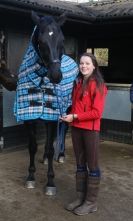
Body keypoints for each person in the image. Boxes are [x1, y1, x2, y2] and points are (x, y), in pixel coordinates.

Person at [60, 52, 108, 216]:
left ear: (94, 66)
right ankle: (80, 198)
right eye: (81, 63)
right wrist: (69, 115)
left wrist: (75, 116)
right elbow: (76, 106)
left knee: (92, 166)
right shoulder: (78, 83)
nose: (84, 66)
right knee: (80, 163)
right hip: (76, 128)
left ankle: (91, 202)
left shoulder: (99, 85)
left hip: (91, 130)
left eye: (87, 63)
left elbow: (97, 113)